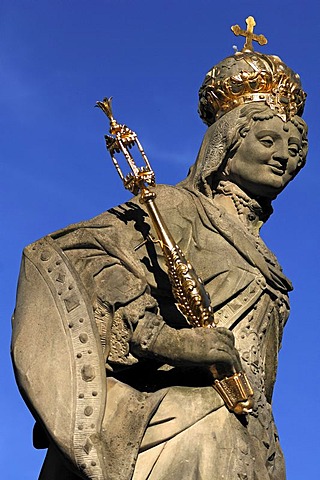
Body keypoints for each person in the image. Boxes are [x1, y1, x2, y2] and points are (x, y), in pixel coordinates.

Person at [12, 19, 308, 480]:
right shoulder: (173, 205)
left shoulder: (265, 255)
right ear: (227, 144)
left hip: (251, 421)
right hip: (186, 417)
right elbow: (78, 255)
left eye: (295, 147)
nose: (284, 155)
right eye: (268, 141)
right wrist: (165, 338)